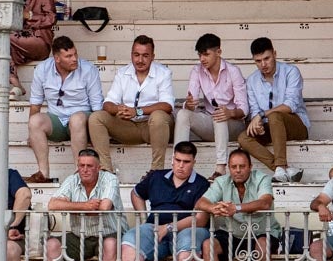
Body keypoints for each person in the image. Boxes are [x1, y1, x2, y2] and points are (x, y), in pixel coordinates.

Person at [114, 142, 211, 261]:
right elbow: (136, 193)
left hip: (186, 229)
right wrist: (144, 219)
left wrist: (170, 227)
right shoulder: (157, 177)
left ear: (194, 162)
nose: (181, 166)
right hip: (156, 228)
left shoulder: (201, 183)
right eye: (178, 160)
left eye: (186, 162)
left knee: (190, 238)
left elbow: (201, 219)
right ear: (172, 159)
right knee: (131, 238)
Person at [193, 148, 280, 261]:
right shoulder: (221, 181)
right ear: (229, 168)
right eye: (234, 167)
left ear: (250, 167)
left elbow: (265, 203)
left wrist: (236, 208)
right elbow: (200, 202)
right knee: (208, 244)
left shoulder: (262, 178)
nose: (238, 170)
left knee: (263, 244)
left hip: (262, 231)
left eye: (242, 166)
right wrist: (213, 207)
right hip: (233, 234)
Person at [43, 148, 122, 261]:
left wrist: (71, 206)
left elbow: (105, 207)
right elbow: (53, 204)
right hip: (80, 236)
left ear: (98, 168)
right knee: (51, 245)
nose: (85, 169)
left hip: (109, 233)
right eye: (81, 165)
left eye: (90, 166)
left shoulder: (110, 179)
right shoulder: (72, 180)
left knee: (110, 244)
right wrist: (85, 206)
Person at [88, 35, 175, 174]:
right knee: (96, 117)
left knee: (159, 116)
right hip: (128, 126)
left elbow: (167, 105)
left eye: (145, 55)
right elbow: (108, 103)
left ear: (153, 56)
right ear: (131, 55)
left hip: (153, 128)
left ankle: (156, 171)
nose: (140, 60)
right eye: (136, 55)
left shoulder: (163, 73)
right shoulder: (123, 73)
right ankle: (106, 170)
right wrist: (118, 108)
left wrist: (137, 111)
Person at [25, 36, 104, 184]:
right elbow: (35, 104)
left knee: (76, 119)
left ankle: (78, 172)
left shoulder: (88, 69)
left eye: (75, 54)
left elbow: (97, 106)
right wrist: (30, 134)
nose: (74, 59)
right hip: (56, 119)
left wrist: (96, 134)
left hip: (82, 120)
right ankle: (43, 174)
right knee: (35, 121)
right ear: (57, 58)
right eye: (68, 56)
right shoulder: (42, 69)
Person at [174, 34, 248, 180]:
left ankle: (220, 168)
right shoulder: (197, 70)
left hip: (234, 125)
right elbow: (192, 102)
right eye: (200, 55)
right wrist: (189, 105)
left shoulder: (233, 71)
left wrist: (230, 113)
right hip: (211, 121)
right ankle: (176, 161)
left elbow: (244, 109)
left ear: (218, 52)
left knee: (219, 114)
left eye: (206, 54)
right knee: (182, 114)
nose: (202, 59)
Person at [238, 37, 310, 183]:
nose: (263, 64)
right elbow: (254, 110)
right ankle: (284, 168)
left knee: (275, 116)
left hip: (296, 125)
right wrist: (257, 125)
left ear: (275, 54)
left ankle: (280, 166)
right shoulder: (252, 80)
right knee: (243, 138)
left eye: (267, 58)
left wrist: (262, 115)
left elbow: (290, 105)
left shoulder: (291, 72)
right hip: (269, 127)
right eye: (258, 61)